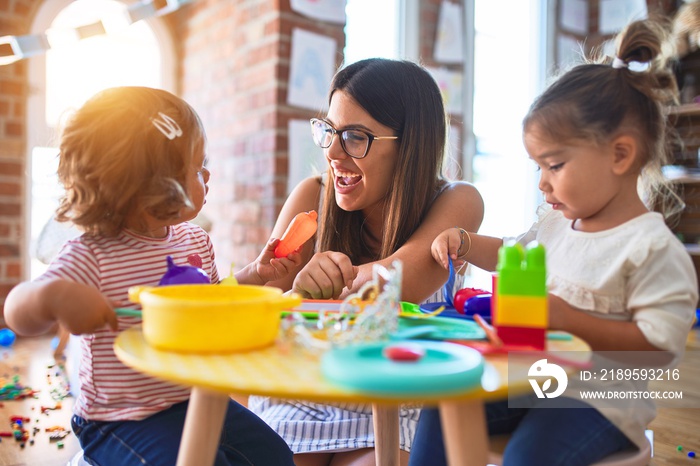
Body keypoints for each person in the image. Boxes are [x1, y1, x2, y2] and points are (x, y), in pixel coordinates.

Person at [410, 19, 699, 466]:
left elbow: (658, 349)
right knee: (445, 402)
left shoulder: (651, 248)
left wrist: (567, 318)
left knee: (528, 456)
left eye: (555, 165)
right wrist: (466, 242)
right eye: (538, 167)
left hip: (602, 401)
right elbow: (512, 252)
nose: (543, 183)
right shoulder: (556, 224)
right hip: (534, 380)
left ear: (620, 155)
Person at [4, 86, 299, 466]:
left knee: (275, 457)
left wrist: (254, 274)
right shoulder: (93, 254)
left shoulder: (195, 240)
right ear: (148, 181)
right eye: (195, 167)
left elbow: (210, 302)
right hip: (119, 420)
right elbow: (16, 311)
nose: (207, 174)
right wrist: (52, 298)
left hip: (194, 397)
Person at [248, 58, 484, 466]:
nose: (334, 153)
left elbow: (401, 281)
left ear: (409, 144)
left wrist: (319, 287)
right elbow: (261, 320)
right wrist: (294, 291)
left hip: (403, 397)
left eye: (356, 137)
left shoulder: (457, 200)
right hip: (308, 390)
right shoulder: (311, 196)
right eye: (330, 131)